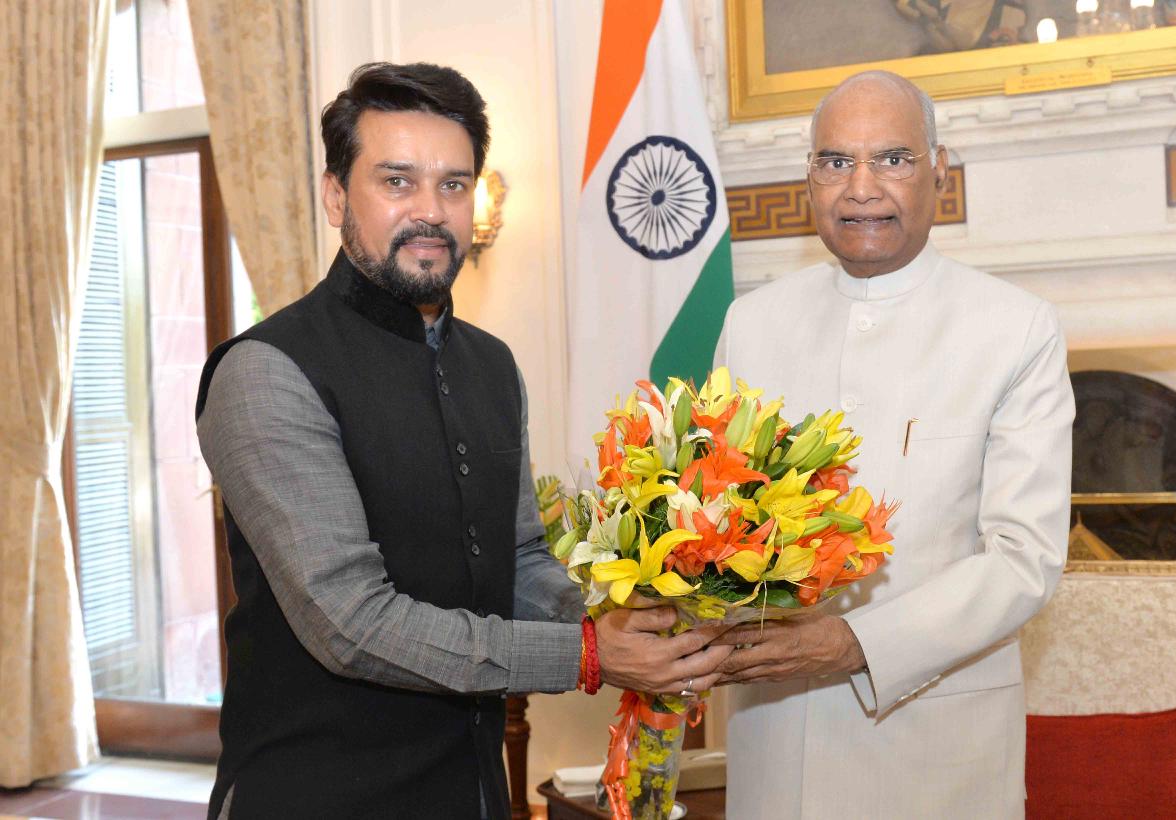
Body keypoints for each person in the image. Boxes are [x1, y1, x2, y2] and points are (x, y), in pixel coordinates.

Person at [195, 62, 730, 820]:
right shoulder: (267, 371)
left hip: (471, 789)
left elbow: (520, 559)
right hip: (318, 794)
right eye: (397, 181)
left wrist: (629, 617)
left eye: (453, 184)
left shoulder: (492, 364)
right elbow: (350, 622)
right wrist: (587, 654)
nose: (430, 211)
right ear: (336, 196)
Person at [713, 70, 1074, 818]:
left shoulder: (1016, 328)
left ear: (939, 170)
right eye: (836, 161)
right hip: (776, 741)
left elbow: (1024, 559)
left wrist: (855, 642)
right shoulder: (752, 324)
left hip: (938, 755)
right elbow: (717, 517)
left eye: (893, 158)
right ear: (808, 178)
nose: (861, 188)